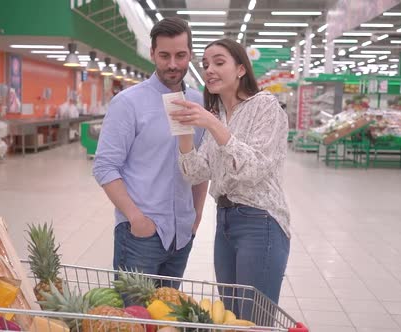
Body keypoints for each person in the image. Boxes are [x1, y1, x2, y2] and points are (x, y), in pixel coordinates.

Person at [170, 39, 290, 318]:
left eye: (219, 62)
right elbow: (196, 173)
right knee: (231, 318)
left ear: (240, 69)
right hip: (225, 223)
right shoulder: (220, 115)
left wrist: (212, 125)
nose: (210, 69)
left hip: (260, 223)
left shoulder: (266, 106)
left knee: (254, 318)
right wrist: (184, 132)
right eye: (206, 64)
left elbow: (253, 168)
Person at [92, 17, 208, 286]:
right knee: (135, 319)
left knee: (167, 318)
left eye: (180, 55)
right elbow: (104, 167)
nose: (172, 64)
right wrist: (136, 218)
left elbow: (201, 166)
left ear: (190, 54)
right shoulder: (128, 103)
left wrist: (196, 215)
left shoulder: (197, 104)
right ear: (152, 53)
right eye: (164, 55)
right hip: (140, 235)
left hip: (181, 235)